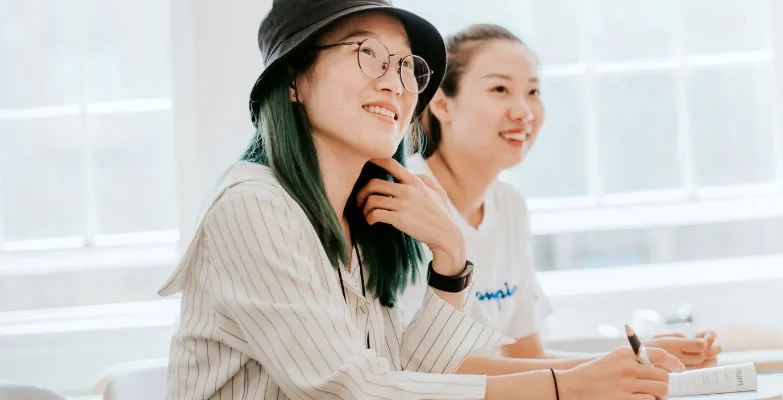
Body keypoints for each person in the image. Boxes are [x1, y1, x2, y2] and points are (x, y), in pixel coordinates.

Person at [157, 2, 682, 399]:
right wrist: (564, 386)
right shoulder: (254, 205)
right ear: (294, 78)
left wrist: (450, 260)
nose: (397, 83)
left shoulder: (361, 215)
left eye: (407, 67)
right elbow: (357, 390)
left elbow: (412, 372)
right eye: (367, 55)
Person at [402, 24, 722, 376]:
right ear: (442, 104)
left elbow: (525, 356)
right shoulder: (410, 198)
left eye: (533, 91)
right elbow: (432, 368)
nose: (523, 111)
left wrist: (641, 357)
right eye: (500, 89)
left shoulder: (509, 205)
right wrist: (617, 365)